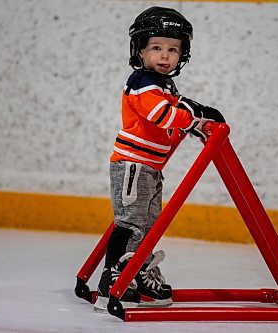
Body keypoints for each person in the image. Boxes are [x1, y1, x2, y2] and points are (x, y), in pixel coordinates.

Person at [94, 6, 225, 312]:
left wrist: (197, 117)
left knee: (149, 225)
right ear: (139, 51)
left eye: (173, 49)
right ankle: (113, 278)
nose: (165, 56)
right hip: (133, 165)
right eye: (156, 48)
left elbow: (177, 109)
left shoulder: (163, 84)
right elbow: (161, 114)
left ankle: (137, 271)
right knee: (130, 224)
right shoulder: (142, 82)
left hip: (150, 168)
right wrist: (195, 115)